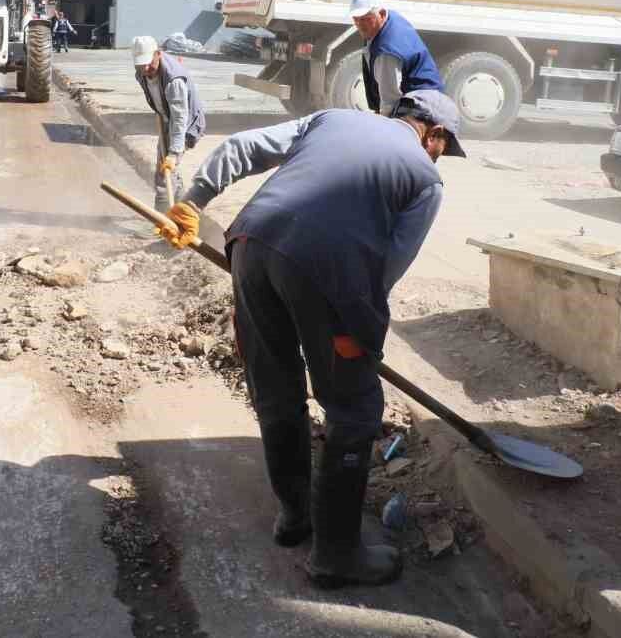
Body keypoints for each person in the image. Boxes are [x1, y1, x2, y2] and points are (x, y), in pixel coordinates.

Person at [157, 90, 466, 588]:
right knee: (355, 410)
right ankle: (336, 555)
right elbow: (385, 271)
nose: (438, 156)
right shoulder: (426, 179)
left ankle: (295, 516)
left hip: (250, 246)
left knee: (277, 390)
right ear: (434, 135)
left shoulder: (333, 119)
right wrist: (356, 343)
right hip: (326, 270)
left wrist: (192, 201)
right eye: (442, 147)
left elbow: (241, 146)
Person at [132, 35, 206, 211]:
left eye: (149, 63)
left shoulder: (174, 80)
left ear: (158, 54)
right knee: (166, 171)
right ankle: (183, 210)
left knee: (164, 172)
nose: (146, 68)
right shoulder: (142, 72)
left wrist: (174, 152)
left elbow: (180, 119)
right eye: (141, 65)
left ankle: (162, 220)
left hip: (187, 124)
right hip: (167, 119)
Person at [348, 0, 442, 118]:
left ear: (381, 13)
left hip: (421, 107)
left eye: (366, 19)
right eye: (356, 19)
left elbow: (390, 101)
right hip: (427, 99)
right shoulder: (389, 19)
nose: (359, 25)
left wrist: (385, 123)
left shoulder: (387, 51)